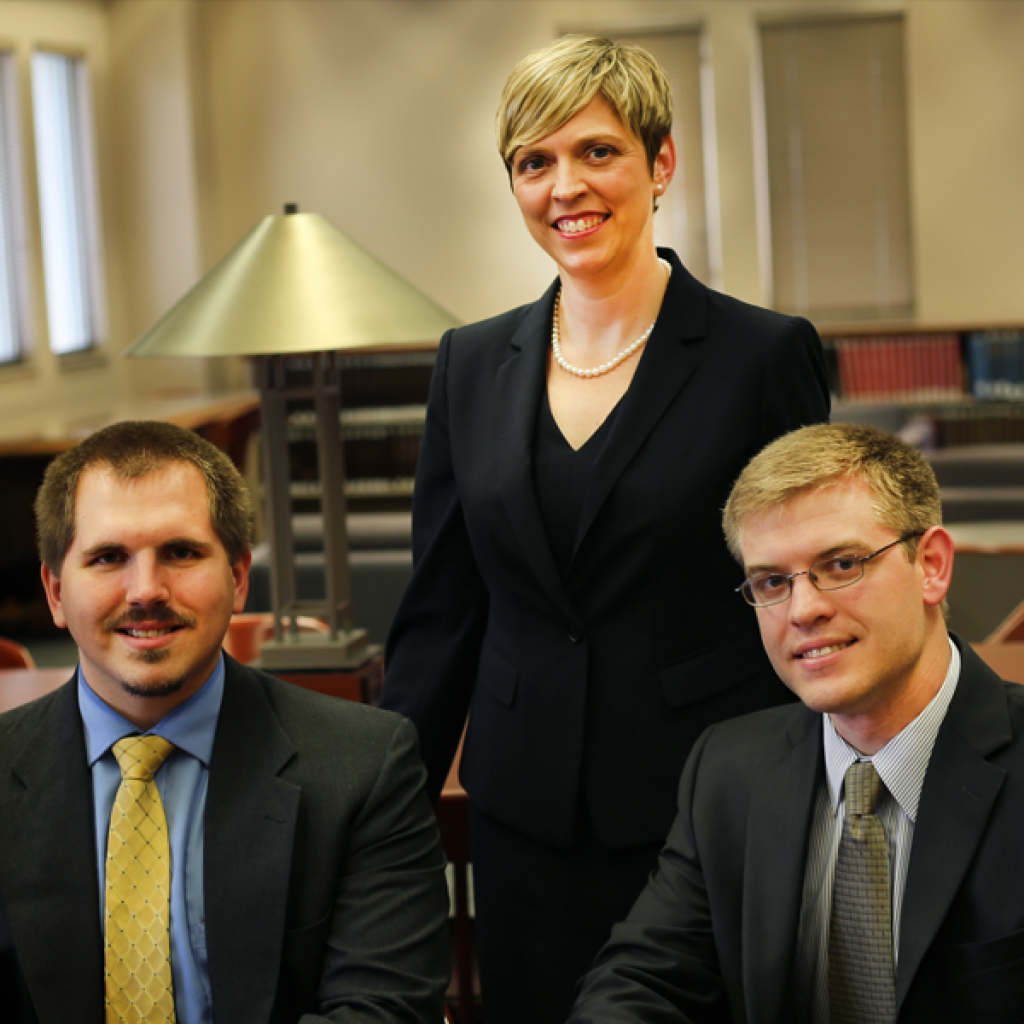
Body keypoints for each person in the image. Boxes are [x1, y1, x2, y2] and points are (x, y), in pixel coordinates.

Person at [381, 33, 830, 1024]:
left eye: (596, 151)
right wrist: (380, 804)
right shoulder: (468, 364)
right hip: (521, 816)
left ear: (660, 163)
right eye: (533, 161)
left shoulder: (761, 356)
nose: (565, 187)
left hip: (705, 801)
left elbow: (808, 588)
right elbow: (443, 609)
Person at [568, 423, 1024, 1024]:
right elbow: (647, 978)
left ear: (932, 567)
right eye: (772, 582)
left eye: (842, 564)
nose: (804, 610)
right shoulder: (728, 770)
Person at [0, 421, 449, 1024]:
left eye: (180, 553)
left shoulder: (367, 768)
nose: (146, 591)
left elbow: (385, 1010)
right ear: (56, 592)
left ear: (238, 578)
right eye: (108, 557)